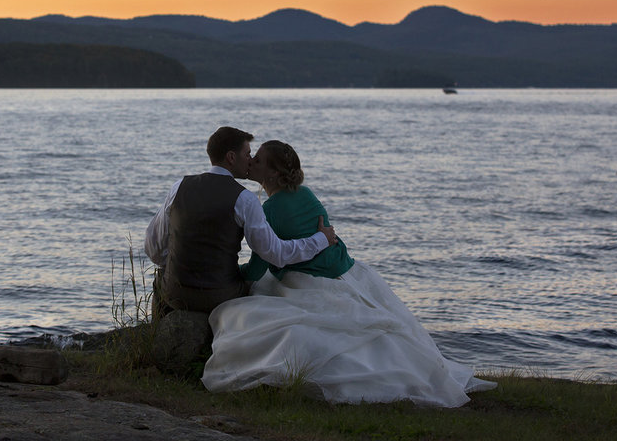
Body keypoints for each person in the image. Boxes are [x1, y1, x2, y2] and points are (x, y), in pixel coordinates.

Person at [201, 140, 496, 407]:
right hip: (347, 272)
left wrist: (226, 272)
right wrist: (322, 242)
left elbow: (257, 267)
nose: (251, 162)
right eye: (252, 157)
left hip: (308, 280)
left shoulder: (271, 211)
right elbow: (325, 237)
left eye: (260, 161)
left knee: (244, 312)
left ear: (274, 175)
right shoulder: (305, 193)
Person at [144, 127, 337, 313]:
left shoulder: (179, 187)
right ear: (231, 157)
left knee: (161, 276)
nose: (250, 161)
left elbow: (153, 247)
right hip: (221, 296)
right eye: (247, 154)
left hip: (175, 294)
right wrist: (320, 239)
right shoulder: (245, 199)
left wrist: (179, 267)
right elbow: (276, 254)